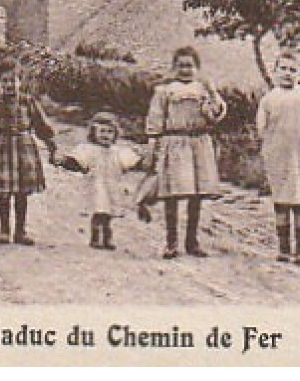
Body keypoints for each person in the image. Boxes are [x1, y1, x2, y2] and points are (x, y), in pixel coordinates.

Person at [145, 46, 227, 259]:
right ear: (174, 67)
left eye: (189, 65)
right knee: (172, 192)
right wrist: (153, 143)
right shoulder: (165, 91)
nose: (185, 70)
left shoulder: (203, 90)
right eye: (181, 65)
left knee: (197, 194)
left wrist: (212, 94)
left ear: (197, 67)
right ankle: (171, 242)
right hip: (174, 142)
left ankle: (192, 241)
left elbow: (214, 116)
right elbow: (155, 119)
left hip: (198, 142)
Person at [254, 49, 300, 265]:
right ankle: (284, 249)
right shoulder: (269, 99)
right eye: (283, 69)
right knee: (281, 202)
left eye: (293, 70)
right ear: (275, 71)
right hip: (279, 156)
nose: (287, 74)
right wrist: (271, 146)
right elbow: (262, 127)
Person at [0, 58, 58, 245]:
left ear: (20, 81)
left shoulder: (28, 102)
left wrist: (52, 146)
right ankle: (4, 230)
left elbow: (41, 126)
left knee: (22, 193)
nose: (9, 85)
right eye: (4, 81)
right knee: (3, 192)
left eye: (13, 80)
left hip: (24, 150)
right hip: (2, 150)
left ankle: (20, 231)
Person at [53, 110, 144, 250]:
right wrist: (64, 161)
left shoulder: (117, 151)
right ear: (93, 133)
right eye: (101, 131)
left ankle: (107, 237)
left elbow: (131, 163)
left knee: (108, 213)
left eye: (109, 132)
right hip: (96, 186)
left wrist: (142, 159)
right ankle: (95, 237)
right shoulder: (89, 150)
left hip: (111, 186)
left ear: (115, 134)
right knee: (98, 211)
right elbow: (77, 162)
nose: (105, 135)